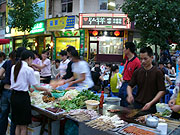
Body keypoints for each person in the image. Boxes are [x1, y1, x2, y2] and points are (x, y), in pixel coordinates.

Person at [10, 50, 50, 135]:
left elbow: (16, 82)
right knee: (24, 126)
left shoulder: (14, 67)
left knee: (18, 124)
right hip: (22, 98)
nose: (32, 62)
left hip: (14, 96)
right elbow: (37, 87)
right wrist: (47, 89)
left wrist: (28, 87)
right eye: (32, 60)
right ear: (29, 58)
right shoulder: (28, 69)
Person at [127, 47, 166, 113]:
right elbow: (130, 86)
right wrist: (130, 95)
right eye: (141, 59)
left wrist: (151, 103)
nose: (143, 61)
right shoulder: (137, 71)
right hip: (137, 104)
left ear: (152, 58)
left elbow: (162, 90)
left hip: (152, 106)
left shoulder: (158, 72)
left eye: (145, 59)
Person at [119, 42, 141, 107]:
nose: (123, 50)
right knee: (121, 103)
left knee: (127, 106)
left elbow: (137, 79)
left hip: (131, 86)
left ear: (128, 49)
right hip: (124, 84)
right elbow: (125, 70)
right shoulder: (127, 59)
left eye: (124, 48)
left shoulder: (136, 62)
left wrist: (130, 93)